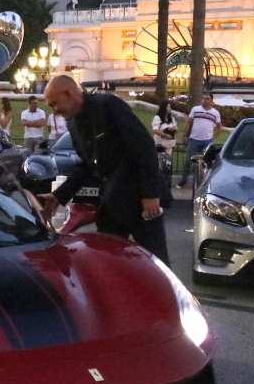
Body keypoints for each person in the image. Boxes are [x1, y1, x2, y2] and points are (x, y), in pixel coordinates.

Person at [38, 75, 168, 263]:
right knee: (109, 262)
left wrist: (150, 194)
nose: (54, 111)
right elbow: (86, 165)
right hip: (111, 203)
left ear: (69, 94)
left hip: (141, 201)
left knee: (156, 262)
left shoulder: (108, 105)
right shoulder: (73, 124)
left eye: (54, 104)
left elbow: (144, 147)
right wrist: (58, 196)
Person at [180, 92, 219, 188]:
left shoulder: (215, 113)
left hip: (207, 141)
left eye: (207, 99)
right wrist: (185, 135)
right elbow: (188, 122)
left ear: (211, 101)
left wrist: (213, 137)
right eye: (203, 98)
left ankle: (205, 182)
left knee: (207, 163)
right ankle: (183, 181)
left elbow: (219, 127)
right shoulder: (195, 110)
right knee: (188, 161)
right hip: (194, 140)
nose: (204, 100)